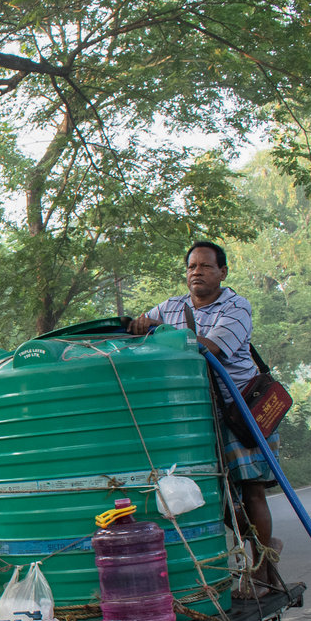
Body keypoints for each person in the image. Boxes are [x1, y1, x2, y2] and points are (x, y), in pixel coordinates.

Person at [129, 241, 281, 570]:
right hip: (200, 414)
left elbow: (210, 348)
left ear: (222, 273)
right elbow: (137, 327)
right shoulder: (170, 307)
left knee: (252, 491)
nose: (197, 272)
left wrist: (160, 333)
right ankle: (263, 547)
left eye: (206, 266)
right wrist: (140, 326)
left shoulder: (236, 307)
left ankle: (265, 567)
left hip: (240, 409)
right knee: (218, 495)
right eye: (192, 267)